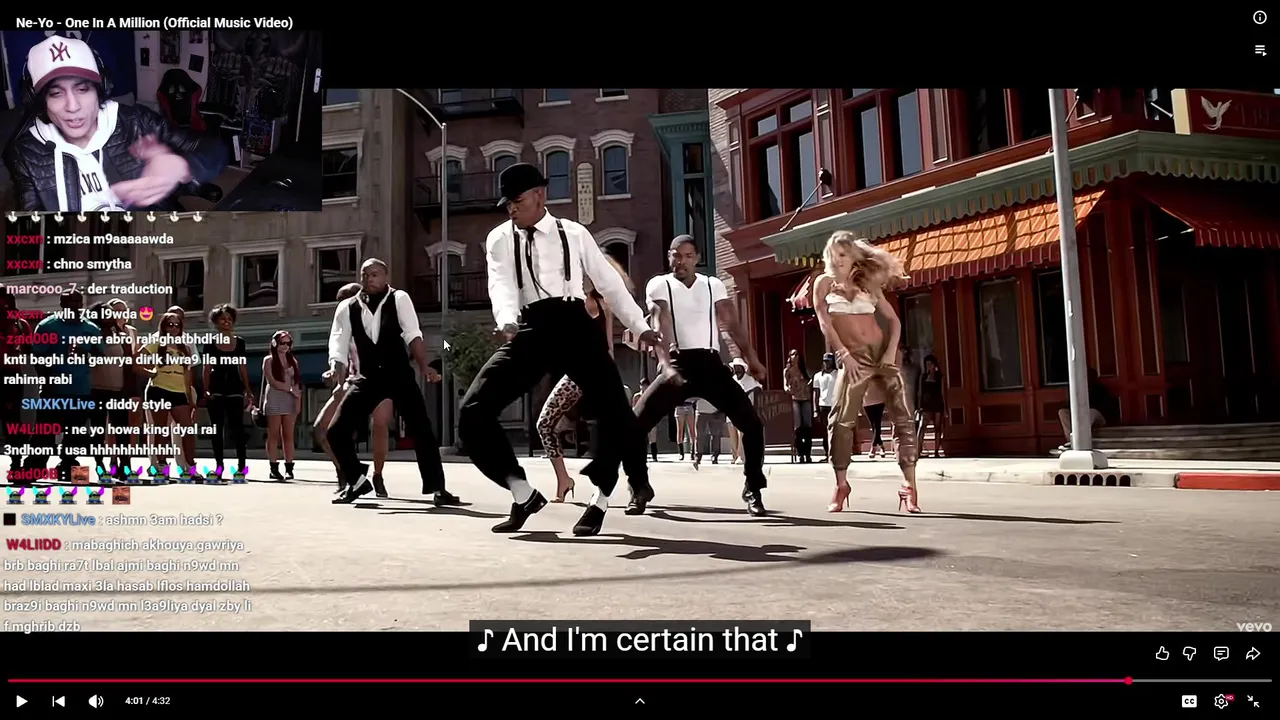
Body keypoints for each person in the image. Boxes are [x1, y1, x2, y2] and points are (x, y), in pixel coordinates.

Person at [459, 163, 658, 536]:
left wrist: (640, 326)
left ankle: (600, 500)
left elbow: (609, 283)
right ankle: (522, 494)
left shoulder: (573, 232)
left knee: (615, 413)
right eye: (507, 204)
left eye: (517, 202)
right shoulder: (499, 238)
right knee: (472, 411)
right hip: (530, 327)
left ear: (539, 195)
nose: (511, 210)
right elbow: (500, 284)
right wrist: (506, 320)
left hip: (575, 325)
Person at [627, 235, 769, 516]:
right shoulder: (659, 284)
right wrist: (665, 361)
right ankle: (639, 488)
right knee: (634, 426)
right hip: (678, 362)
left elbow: (731, 322)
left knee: (752, 425)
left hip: (710, 364)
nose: (681, 261)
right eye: (676, 255)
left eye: (688, 256)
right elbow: (660, 319)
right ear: (669, 257)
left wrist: (752, 359)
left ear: (697, 258)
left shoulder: (712, 285)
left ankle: (753, 488)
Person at [3, 35, 226, 213]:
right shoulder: (25, 153)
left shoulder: (137, 122)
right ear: (39, 102)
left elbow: (215, 149)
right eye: (56, 93)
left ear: (101, 89)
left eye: (82, 89)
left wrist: (183, 165)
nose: (72, 106)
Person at [327, 259, 460, 506]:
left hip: (398, 375)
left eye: (375, 274)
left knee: (422, 430)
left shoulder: (399, 298)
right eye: (365, 275)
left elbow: (413, 333)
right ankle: (357, 481)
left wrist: (424, 365)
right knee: (335, 431)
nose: (369, 279)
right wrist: (336, 365)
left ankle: (438, 488)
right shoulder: (347, 307)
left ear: (386, 276)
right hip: (367, 378)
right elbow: (338, 340)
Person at [812, 231, 921, 514]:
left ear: (853, 257)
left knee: (903, 416)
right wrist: (843, 354)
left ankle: (910, 486)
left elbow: (894, 322)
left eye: (843, 255)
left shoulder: (867, 283)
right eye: (832, 254)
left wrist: (890, 353)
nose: (837, 260)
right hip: (853, 357)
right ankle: (841, 484)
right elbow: (825, 323)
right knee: (840, 419)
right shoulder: (823, 283)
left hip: (882, 352)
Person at [534, 252, 634, 503]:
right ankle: (563, 479)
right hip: (575, 375)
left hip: (598, 373)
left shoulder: (601, 304)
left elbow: (609, 347)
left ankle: (635, 482)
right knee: (544, 424)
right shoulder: (570, 300)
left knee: (619, 428)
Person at [314, 283, 394, 496]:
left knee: (379, 425)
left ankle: (377, 475)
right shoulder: (342, 327)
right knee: (322, 428)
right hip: (351, 381)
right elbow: (341, 358)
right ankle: (350, 471)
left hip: (380, 382)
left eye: (345, 301)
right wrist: (334, 376)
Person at [27, 290, 102, 481]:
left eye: (78, 302)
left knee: (75, 433)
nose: (74, 306)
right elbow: (36, 357)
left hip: (80, 389)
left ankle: (68, 466)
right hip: (53, 390)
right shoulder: (48, 326)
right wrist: (47, 380)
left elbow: (100, 356)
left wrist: (86, 352)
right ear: (62, 304)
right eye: (70, 302)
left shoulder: (91, 328)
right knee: (45, 432)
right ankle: (34, 467)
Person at [136, 311, 197, 480]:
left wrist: (190, 399)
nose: (174, 328)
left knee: (187, 430)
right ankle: (162, 466)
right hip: (159, 390)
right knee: (161, 431)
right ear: (163, 327)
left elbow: (187, 374)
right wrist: (150, 373)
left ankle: (191, 467)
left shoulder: (184, 347)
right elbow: (136, 360)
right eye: (170, 324)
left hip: (179, 392)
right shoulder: (156, 343)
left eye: (177, 325)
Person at [202, 304, 253, 481]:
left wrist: (248, 389)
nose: (227, 322)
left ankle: (241, 467)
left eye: (230, 319)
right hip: (216, 387)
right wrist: (206, 389)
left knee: (237, 428)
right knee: (217, 429)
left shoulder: (240, 342)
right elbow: (206, 367)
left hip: (234, 387)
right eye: (223, 319)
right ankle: (219, 467)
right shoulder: (210, 343)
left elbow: (243, 367)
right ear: (216, 322)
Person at [86, 301, 131, 474]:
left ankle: (124, 465)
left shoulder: (122, 336)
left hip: (118, 390)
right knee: (98, 430)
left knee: (122, 430)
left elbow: (128, 363)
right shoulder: (91, 335)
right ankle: (100, 464)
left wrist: (128, 387)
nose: (111, 315)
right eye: (107, 313)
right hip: (96, 390)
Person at [0, 288, 33, 475]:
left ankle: (16, 463)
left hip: (11, 375)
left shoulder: (20, 324)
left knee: (12, 422)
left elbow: (29, 350)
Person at [261, 330, 302, 481]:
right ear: (274, 343)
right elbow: (272, 381)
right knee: (274, 434)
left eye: (288, 343)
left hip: (290, 400)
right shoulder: (268, 360)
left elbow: (296, 384)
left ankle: (289, 468)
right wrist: (290, 389)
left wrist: (298, 402)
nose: (285, 346)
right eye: (282, 343)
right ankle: (273, 467)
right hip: (274, 399)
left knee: (288, 435)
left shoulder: (293, 361)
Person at [1057, 367, 1116, 451]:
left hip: (1097, 417)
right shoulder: (1075, 389)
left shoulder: (1099, 388)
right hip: (1080, 416)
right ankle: (1072, 441)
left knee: (1090, 412)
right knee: (1062, 412)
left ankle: (1080, 439)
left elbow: (1105, 407)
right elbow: (1069, 405)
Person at [727, 358, 761, 464]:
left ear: (743, 369)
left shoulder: (750, 380)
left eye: (739, 368)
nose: (737, 370)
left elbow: (759, 387)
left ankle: (741, 456)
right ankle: (734, 456)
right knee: (732, 434)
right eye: (735, 368)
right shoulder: (731, 380)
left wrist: (749, 393)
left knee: (741, 433)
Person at [784, 350, 814, 462]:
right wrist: (788, 389)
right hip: (795, 398)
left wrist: (809, 384)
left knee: (807, 426)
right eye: (792, 354)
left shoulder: (804, 370)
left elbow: (811, 380)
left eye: (796, 354)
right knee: (798, 427)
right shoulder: (787, 370)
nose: (795, 356)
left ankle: (808, 454)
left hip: (805, 398)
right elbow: (785, 385)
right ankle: (800, 453)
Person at [916, 354, 946, 457]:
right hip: (926, 405)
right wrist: (919, 406)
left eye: (930, 364)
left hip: (937, 403)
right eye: (927, 364)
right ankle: (918, 450)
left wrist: (945, 408)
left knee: (937, 427)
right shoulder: (923, 377)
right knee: (922, 427)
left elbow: (942, 393)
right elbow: (920, 392)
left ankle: (936, 451)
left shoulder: (939, 377)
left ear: (934, 365)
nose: (928, 366)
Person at [812, 353, 838, 461]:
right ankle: (827, 454)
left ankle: (837, 454)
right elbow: (816, 393)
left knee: (836, 431)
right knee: (825, 432)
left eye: (829, 361)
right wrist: (815, 410)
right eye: (825, 361)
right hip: (823, 405)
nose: (827, 363)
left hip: (834, 405)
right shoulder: (818, 376)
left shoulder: (837, 374)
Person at [693, 396, 726, 467]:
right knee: (699, 435)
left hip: (715, 412)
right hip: (701, 411)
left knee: (716, 435)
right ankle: (698, 456)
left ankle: (715, 455)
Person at [632, 378, 659, 462]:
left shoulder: (652, 395)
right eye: (642, 386)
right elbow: (634, 408)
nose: (644, 387)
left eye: (646, 386)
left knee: (652, 438)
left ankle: (654, 455)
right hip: (640, 419)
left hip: (650, 419)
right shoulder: (637, 396)